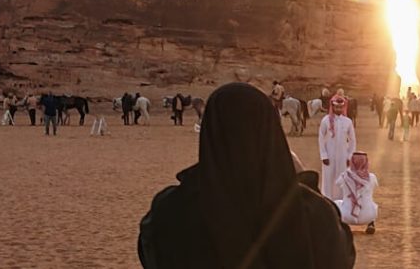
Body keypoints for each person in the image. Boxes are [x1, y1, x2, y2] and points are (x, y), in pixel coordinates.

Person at [138, 82, 355, 269]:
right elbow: (342, 255)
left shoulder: (170, 210)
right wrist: (306, 187)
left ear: (210, 132)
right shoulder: (313, 214)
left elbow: (151, 253)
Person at [318, 96, 356, 200]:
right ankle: (327, 200)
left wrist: (349, 156)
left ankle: (341, 201)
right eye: (336, 107)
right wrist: (323, 155)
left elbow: (352, 140)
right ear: (332, 107)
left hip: (343, 155)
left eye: (340, 107)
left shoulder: (348, 121)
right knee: (328, 178)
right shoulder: (325, 120)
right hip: (329, 155)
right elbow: (321, 137)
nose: (338, 110)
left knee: (342, 178)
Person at [334, 152, 378, 236]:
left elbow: (337, 183)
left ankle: (341, 226)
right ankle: (371, 224)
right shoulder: (372, 177)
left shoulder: (344, 176)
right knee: (373, 205)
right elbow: (374, 186)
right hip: (367, 217)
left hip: (347, 217)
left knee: (336, 203)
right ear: (366, 162)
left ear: (352, 162)